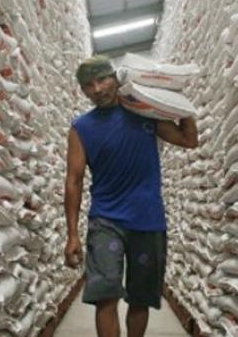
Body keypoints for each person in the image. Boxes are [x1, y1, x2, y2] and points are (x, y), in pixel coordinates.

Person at [63, 55, 198, 337]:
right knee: (105, 297)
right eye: (88, 85)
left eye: (102, 80)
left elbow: (189, 140)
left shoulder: (144, 112)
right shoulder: (81, 128)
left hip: (147, 220)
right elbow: (74, 181)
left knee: (140, 299)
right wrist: (72, 235)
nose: (97, 89)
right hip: (105, 221)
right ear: (82, 91)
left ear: (115, 78)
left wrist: (179, 103)